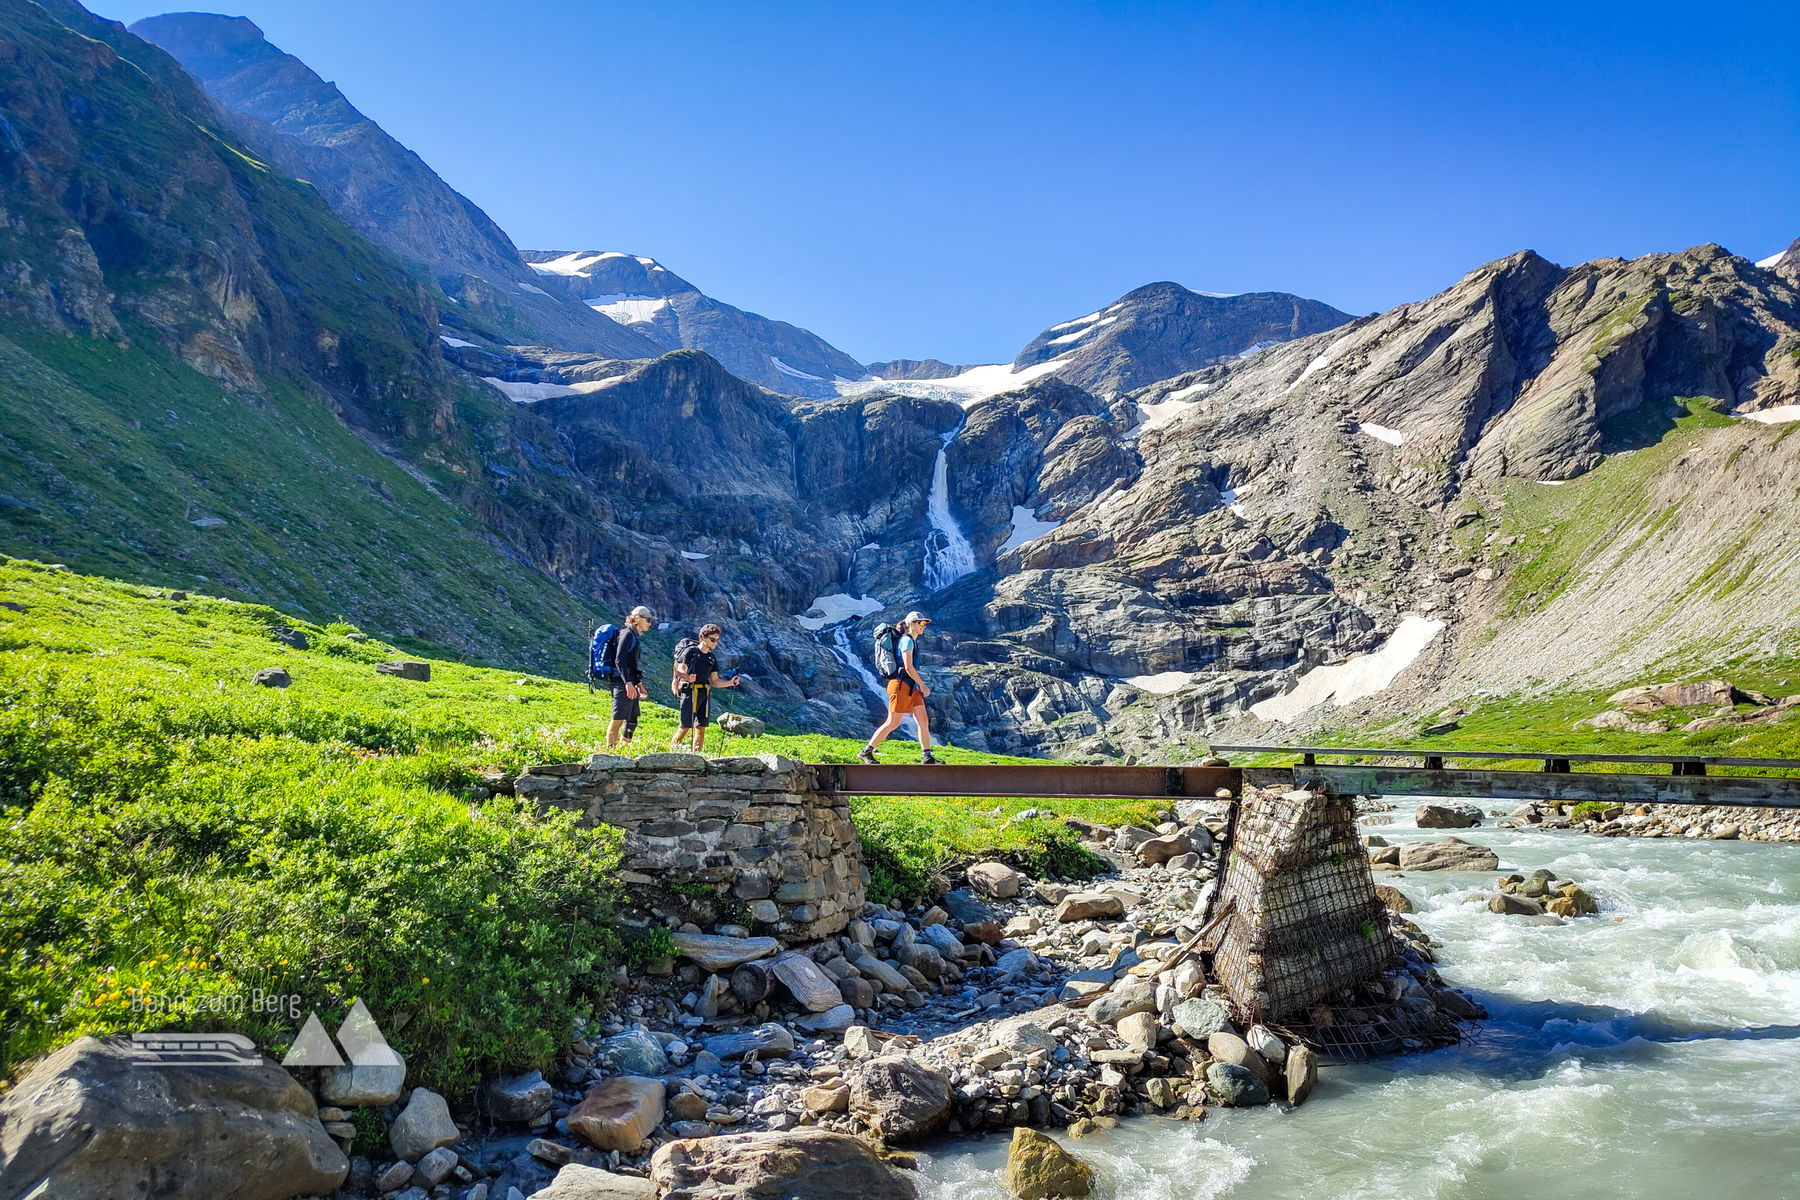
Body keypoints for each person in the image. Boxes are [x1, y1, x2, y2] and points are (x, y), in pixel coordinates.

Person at [858, 611, 939, 765]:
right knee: (893, 722)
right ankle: (865, 752)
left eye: (924, 623)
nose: (923, 626)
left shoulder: (912, 641)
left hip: (910, 687)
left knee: (923, 720)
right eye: (920, 623)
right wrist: (922, 685)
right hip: (901, 686)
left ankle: (927, 757)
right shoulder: (907, 641)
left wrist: (918, 685)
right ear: (911, 624)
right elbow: (908, 667)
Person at [671, 623, 742, 753]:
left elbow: (715, 680)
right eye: (713, 639)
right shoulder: (691, 652)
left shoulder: (711, 658)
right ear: (703, 637)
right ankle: (672, 753)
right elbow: (680, 669)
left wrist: (730, 683)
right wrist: (687, 677)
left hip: (704, 692)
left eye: (717, 640)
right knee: (685, 726)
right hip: (689, 691)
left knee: (701, 727)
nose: (715, 643)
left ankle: (697, 756)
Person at [604, 606, 655, 749]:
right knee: (618, 719)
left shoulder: (633, 635)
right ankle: (610, 752)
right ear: (637, 618)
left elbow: (631, 665)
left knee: (632, 719)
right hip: (621, 683)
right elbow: (620, 660)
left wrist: (639, 684)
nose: (650, 623)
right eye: (648, 620)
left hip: (629, 683)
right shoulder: (627, 634)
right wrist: (628, 683)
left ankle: (623, 751)